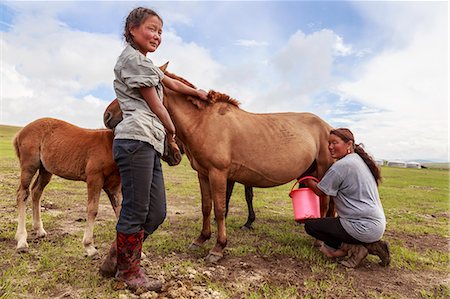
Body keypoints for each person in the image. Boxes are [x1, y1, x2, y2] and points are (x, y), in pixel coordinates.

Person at [99, 7, 208, 293]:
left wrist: (195, 92)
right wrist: (172, 132)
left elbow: (167, 82)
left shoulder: (146, 64)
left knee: (156, 212)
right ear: (132, 30)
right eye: (151, 29)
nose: (157, 36)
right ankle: (129, 271)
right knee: (135, 209)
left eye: (160, 31)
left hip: (148, 142)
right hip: (135, 140)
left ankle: (117, 254)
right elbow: (156, 104)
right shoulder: (132, 60)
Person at [303, 128, 390, 268]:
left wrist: (306, 178)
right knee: (331, 223)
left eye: (335, 143)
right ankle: (373, 244)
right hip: (375, 224)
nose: (330, 147)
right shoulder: (357, 160)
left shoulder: (341, 166)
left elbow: (320, 191)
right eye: (329, 143)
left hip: (360, 225)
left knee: (311, 226)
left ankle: (355, 249)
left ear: (349, 145)